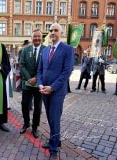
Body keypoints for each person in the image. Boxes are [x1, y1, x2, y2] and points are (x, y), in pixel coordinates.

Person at [37, 23, 74, 160]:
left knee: (54, 119)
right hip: (44, 90)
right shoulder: (45, 50)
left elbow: (67, 72)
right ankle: (55, 140)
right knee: (49, 118)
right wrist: (40, 84)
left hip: (57, 91)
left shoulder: (67, 49)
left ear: (61, 33)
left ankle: (53, 149)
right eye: (51, 30)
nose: (52, 32)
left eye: (56, 30)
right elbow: (40, 70)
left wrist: (52, 87)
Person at [19, 28, 45, 138]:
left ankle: (35, 127)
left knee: (38, 107)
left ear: (42, 38)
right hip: (27, 82)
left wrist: (36, 78)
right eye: (35, 36)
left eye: (39, 36)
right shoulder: (25, 50)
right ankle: (26, 123)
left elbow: (46, 67)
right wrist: (29, 78)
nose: (37, 38)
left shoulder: (46, 50)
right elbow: (22, 65)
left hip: (39, 83)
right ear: (31, 38)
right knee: (24, 104)